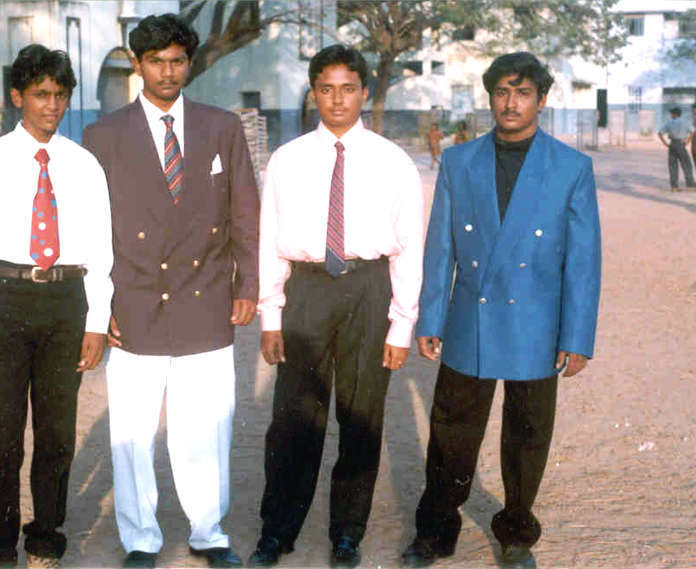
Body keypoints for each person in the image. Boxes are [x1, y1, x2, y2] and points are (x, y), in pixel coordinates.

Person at [401, 51, 601, 567]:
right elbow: (440, 248)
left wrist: (576, 337)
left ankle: (516, 533)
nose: (512, 103)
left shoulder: (571, 167)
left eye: (523, 93)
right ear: (490, 97)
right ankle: (436, 530)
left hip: (537, 323)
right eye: (502, 92)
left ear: (542, 100)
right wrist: (431, 319)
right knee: (451, 432)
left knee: (527, 435)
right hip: (472, 319)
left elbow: (583, 261)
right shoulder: (459, 161)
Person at [82, 14, 259, 569]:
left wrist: (248, 285)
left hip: (205, 297)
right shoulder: (103, 136)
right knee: (132, 432)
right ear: (138, 65)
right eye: (156, 62)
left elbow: (246, 214)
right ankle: (140, 538)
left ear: (190, 63)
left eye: (177, 61)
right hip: (134, 302)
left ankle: (209, 532)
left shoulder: (221, 127)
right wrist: (99, 308)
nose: (167, 72)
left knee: (206, 427)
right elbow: (91, 231)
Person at [249, 44, 424, 569]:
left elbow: (410, 247)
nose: (337, 100)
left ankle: (347, 532)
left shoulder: (393, 161)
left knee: (361, 415)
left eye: (348, 89)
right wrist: (271, 315)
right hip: (307, 290)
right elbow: (269, 240)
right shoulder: (288, 159)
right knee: (294, 417)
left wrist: (401, 325)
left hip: (368, 288)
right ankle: (277, 530)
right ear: (313, 94)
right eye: (326, 89)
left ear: (364, 93)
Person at [0, 44, 113, 568]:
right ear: (18, 96)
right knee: (3, 430)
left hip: (66, 301)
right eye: (41, 94)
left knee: (58, 431)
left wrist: (96, 321)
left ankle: (45, 534)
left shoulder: (84, 165)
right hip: (7, 300)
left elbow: (101, 251)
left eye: (60, 95)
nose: (52, 106)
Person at [658, 106, 696, 191]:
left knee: (673, 166)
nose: (671, 115)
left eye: (671, 113)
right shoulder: (685, 122)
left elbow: (659, 133)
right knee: (686, 164)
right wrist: (688, 141)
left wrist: (665, 143)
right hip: (681, 144)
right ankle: (690, 182)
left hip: (672, 144)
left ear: (674, 114)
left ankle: (674, 185)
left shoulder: (669, 123)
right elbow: (693, 131)